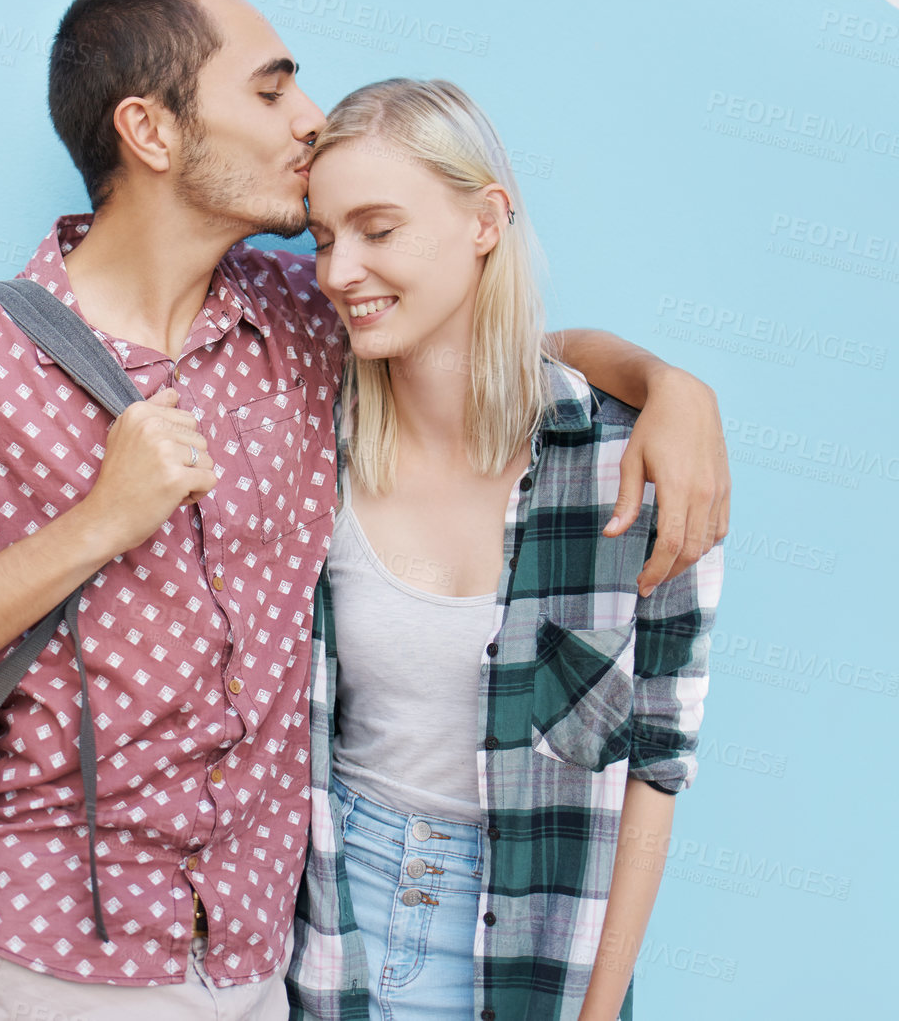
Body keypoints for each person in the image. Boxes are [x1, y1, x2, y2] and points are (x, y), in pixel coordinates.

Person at [0, 0, 729, 1021]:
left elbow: (483, 343)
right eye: (272, 90)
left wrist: (667, 388)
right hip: (45, 967)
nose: (309, 120)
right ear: (150, 129)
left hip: (266, 973)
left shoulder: (305, 321)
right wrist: (100, 522)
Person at [285, 78, 723, 1021]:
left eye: (377, 228)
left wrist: (598, 1012)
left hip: (532, 942)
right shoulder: (307, 442)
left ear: (485, 220)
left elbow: (657, 761)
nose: (335, 270)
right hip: (325, 925)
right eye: (322, 237)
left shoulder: (635, 461)